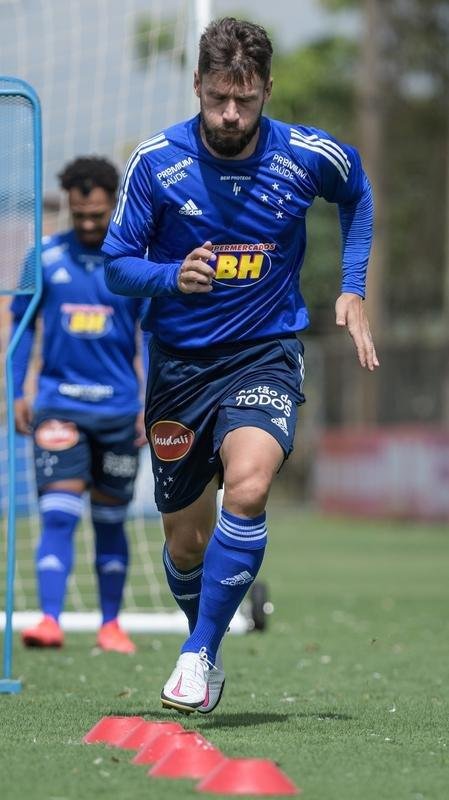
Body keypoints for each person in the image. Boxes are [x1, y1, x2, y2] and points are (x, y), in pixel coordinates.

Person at [102, 17, 379, 710]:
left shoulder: (307, 155)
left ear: (266, 90)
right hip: (178, 367)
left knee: (250, 488)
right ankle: (202, 629)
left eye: (245, 99)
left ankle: (199, 655)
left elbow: (357, 193)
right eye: (218, 97)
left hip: (264, 354)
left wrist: (351, 286)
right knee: (186, 542)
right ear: (197, 85)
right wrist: (170, 277)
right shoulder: (155, 162)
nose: (230, 114)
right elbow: (116, 267)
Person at [11, 156, 148, 653]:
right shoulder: (44, 258)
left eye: (98, 215)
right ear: (69, 207)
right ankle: (49, 619)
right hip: (58, 407)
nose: (89, 224)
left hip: (118, 411)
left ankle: (111, 625)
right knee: (59, 514)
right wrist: (16, 392)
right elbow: (22, 332)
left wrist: (150, 403)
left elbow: (149, 338)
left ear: (114, 206)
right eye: (80, 215)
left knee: (110, 520)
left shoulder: (133, 263)